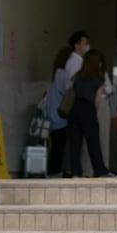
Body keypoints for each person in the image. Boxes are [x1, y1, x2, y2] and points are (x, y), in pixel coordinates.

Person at [67, 49, 116, 178]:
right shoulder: (98, 79)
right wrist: (93, 112)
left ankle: (76, 172)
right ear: (96, 63)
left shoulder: (77, 76)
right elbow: (97, 99)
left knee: (75, 144)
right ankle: (101, 170)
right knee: (93, 142)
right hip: (88, 109)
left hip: (75, 109)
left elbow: (71, 88)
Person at [45, 47, 73, 176]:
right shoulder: (62, 74)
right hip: (61, 117)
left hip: (54, 116)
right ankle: (55, 172)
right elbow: (69, 91)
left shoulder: (55, 73)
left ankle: (54, 171)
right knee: (59, 147)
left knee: (57, 146)